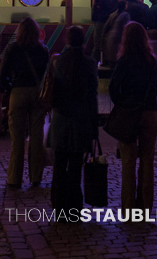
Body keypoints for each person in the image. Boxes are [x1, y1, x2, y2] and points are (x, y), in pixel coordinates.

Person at [109, 22, 157, 212]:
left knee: (128, 162)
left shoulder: (124, 61)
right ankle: (146, 208)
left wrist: (123, 104)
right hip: (149, 113)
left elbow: (113, 88)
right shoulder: (152, 61)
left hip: (129, 113)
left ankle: (128, 208)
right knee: (148, 161)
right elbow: (156, 89)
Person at [50, 25, 99, 213]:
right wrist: (94, 126)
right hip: (81, 119)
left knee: (59, 165)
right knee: (76, 166)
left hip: (61, 118)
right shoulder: (89, 62)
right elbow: (92, 95)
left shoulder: (58, 61)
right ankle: (74, 207)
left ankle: (58, 205)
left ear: (67, 40)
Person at [0, 17, 49, 188]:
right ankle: (36, 177)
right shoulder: (43, 50)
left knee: (17, 138)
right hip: (37, 93)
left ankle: (14, 178)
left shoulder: (13, 48)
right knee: (36, 137)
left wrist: (8, 87)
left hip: (18, 91)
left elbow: (2, 73)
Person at [92, 0, 118, 66]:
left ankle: (94, 63)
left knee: (98, 43)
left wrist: (94, 19)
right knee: (108, 42)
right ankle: (107, 62)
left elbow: (96, 9)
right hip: (110, 22)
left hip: (100, 21)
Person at [104, 0, 130, 69]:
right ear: (125, 6)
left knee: (112, 63)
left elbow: (106, 27)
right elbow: (127, 27)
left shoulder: (113, 15)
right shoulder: (125, 15)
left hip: (111, 37)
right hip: (120, 39)